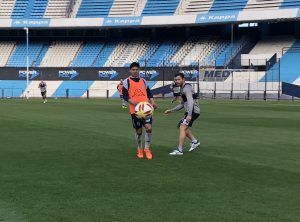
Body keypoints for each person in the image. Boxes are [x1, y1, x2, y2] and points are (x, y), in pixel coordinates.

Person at [122, 62, 158, 160]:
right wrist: (134, 103)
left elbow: (149, 93)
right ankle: (139, 149)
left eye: (136, 69)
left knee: (149, 128)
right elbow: (125, 96)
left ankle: (147, 149)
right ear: (130, 70)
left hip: (146, 110)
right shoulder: (127, 81)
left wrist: (153, 102)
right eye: (133, 69)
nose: (135, 71)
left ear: (139, 70)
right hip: (135, 111)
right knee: (139, 131)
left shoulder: (143, 81)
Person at [164, 73, 200, 155]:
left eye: (178, 79)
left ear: (183, 79)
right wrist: (171, 110)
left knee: (182, 127)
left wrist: (189, 115)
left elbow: (190, 102)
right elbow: (182, 104)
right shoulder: (182, 88)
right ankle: (195, 142)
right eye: (175, 80)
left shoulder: (187, 88)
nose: (177, 81)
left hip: (193, 111)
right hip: (191, 111)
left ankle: (180, 150)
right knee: (183, 127)